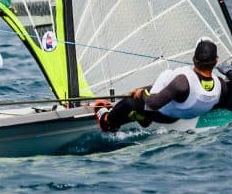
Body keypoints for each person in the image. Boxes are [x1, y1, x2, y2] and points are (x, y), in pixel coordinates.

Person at [95, 38, 225, 131]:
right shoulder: (219, 85)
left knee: (129, 102)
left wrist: (140, 94)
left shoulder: (182, 82)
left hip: (164, 113)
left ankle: (107, 122)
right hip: (176, 114)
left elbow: (153, 103)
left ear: (193, 59)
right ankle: (143, 118)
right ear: (216, 61)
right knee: (151, 90)